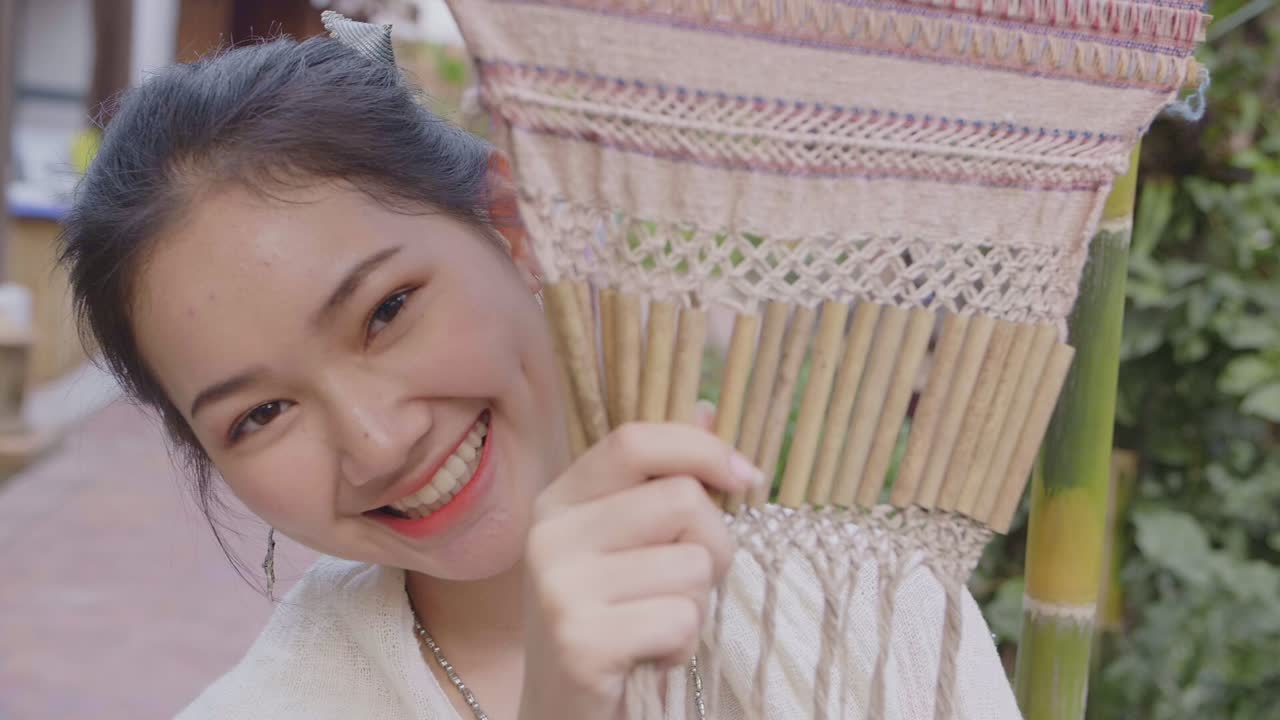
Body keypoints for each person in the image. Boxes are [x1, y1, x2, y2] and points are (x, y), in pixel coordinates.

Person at [59, 28, 1022, 720]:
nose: (377, 440)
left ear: (515, 230)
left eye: (386, 311)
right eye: (261, 414)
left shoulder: (877, 603)